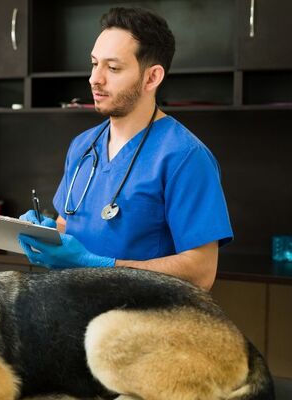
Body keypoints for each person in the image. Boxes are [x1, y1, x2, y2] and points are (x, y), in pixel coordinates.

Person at [18, 7, 232, 291]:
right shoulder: (83, 146)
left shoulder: (185, 157)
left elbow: (201, 272)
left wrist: (101, 264)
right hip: (72, 308)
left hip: (141, 321)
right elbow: (66, 226)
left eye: (113, 67)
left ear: (151, 78)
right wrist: (43, 233)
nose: (95, 78)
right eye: (94, 64)